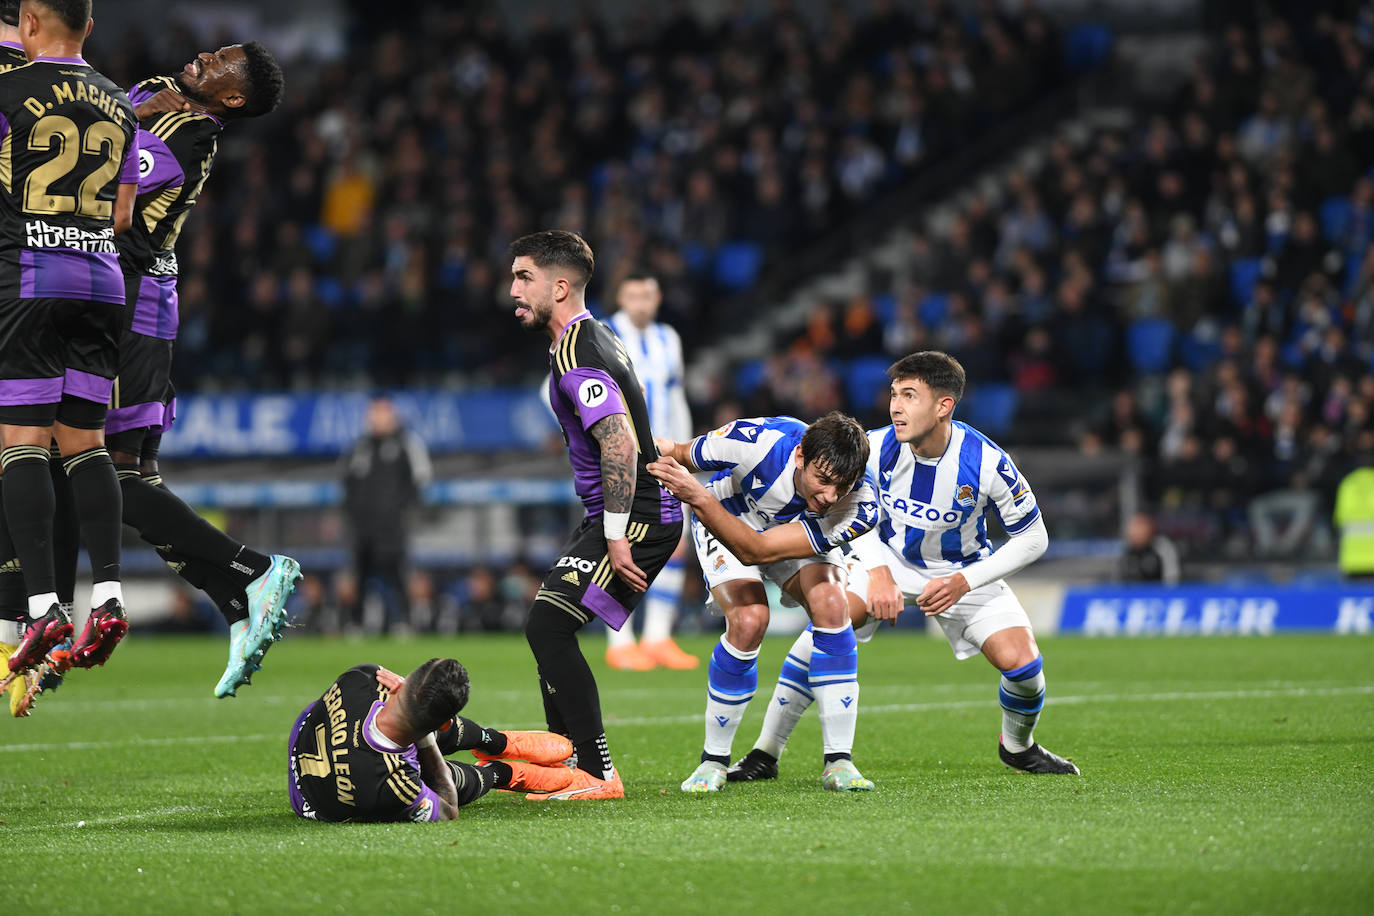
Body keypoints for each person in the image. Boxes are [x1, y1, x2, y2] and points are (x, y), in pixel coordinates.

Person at [728, 351, 1079, 781]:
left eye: (910, 395)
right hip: (885, 557)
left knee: (1023, 667)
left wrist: (965, 581)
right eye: (894, 394)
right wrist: (876, 571)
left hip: (962, 570)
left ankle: (1019, 747)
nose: (896, 405)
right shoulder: (873, 448)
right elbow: (848, 511)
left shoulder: (987, 462)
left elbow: (1034, 537)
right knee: (826, 628)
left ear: (943, 406)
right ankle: (765, 753)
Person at [99, 41, 295, 700]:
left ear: (232, 98)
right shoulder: (161, 89)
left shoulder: (191, 140)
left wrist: (124, 124)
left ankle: (256, 568)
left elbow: (101, 177)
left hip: (134, 312)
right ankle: (237, 602)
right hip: (139, 303)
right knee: (136, 480)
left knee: (99, 473)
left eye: (220, 62)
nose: (204, 56)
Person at [508, 229, 684, 800]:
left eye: (523, 277)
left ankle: (597, 772)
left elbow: (619, 445)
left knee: (548, 627)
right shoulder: (599, 335)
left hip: (638, 513)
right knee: (550, 630)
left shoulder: (574, 351)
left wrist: (616, 536)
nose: (512, 289)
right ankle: (565, 766)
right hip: (634, 509)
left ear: (559, 287)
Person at [0, 0, 140, 687]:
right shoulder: (121, 103)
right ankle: (110, 594)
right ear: (88, 25)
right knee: (84, 443)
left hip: (32, 275)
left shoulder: (7, 89)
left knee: (21, 439)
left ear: (30, 21)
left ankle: (43, 606)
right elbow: (121, 211)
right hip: (104, 284)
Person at [646, 411, 880, 793]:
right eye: (823, 481)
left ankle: (839, 761)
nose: (830, 497)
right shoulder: (754, 442)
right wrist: (620, 442)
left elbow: (758, 551)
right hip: (725, 517)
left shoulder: (860, 505)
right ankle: (713, 761)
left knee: (832, 604)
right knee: (750, 619)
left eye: (843, 485)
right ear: (801, 455)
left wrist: (695, 494)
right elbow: (675, 450)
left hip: (789, 533)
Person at [288, 658, 577, 822]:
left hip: (305, 737)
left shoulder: (363, 677)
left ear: (402, 684)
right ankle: (502, 773)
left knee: (421, 711)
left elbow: (412, 703)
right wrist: (426, 738)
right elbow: (448, 810)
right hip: (315, 801)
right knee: (442, 775)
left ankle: (497, 743)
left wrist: (418, 717)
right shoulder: (396, 784)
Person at [605, 272, 699, 671]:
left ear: (658, 296)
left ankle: (658, 637)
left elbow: (676, 395)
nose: (641, 302)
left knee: (675, 542)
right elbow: (552, 389)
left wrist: (687, 449)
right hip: (620, 459)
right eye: (633, 294)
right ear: (621, 296)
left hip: (665, 455)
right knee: (617, 544)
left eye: (648, 294)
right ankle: (619, 640)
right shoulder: (600, 334)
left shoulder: (668, 338)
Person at [340, 395, 432, 635]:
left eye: (382, 414)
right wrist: (352, 515)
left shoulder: (406, 444)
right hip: (363, 526)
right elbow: (347, 482)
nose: (377, 419)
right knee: (360, 575)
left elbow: (420, 479)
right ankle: (356, 623)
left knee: (398, 574)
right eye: (373, 414)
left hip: (393, 526)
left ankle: (403, 622)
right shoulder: (360, 447)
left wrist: (401, 511)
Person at [1117, 511, 1181, 583]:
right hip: (1133, 593)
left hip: (1158, 592)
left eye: (1140, 526)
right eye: (1133, 527)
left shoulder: (1161, 546)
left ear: (1149, 528)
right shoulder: (1127, 550)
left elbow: (1172, 578)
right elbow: (1119, 580)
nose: (1135, 531)